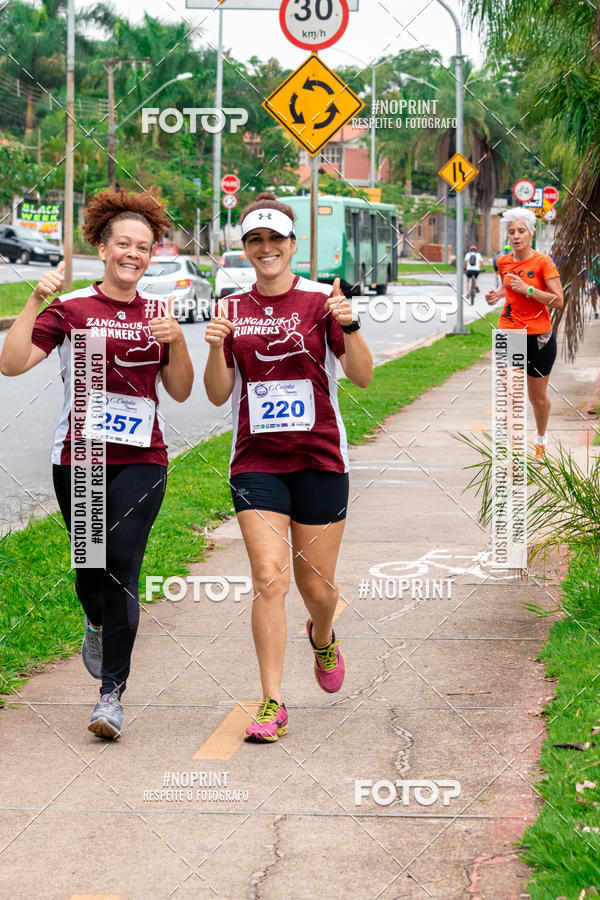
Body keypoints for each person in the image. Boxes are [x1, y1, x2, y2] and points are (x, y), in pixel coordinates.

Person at [0, 188, 194, 739]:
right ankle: (93, 619)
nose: (133, 253)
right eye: (123, 244)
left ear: (151, 254)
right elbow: (11, 365)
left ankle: (110, 695)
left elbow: (179, 393)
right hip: (79, 459)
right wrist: (36, 300)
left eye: (144, 246)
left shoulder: (159, 315)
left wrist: (177, 343)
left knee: (121, 567)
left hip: (143, 461)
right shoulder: (72, 309)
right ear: (104, 249)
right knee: (90, 568)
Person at [203, 192, 373, 743]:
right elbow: (216, 394)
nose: (266, 248)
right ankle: (272, 702)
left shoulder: (324, 301)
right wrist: (214, 347)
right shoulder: (230, 308)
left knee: (317, 588)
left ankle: (322, 635)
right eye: (256, 240)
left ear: (293, 244)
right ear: (245, 248)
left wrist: (350, 325)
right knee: (267, 575)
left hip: (320, 460)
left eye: (276, 239)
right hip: (257, 463)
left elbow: (365, 377)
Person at [485, 207, 564, 460]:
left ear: (531, 233)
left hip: (539, 337)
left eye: (521, 231)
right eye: (511, 232)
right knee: (510, 397)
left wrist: (529, 290)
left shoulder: (543, 262)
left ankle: (540, 438)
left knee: (537, 399)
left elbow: (558, 300)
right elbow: (507, 286)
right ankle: (514, 452)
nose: (516, 236)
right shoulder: (503, 262)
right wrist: (496, 295)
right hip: (509, 332)